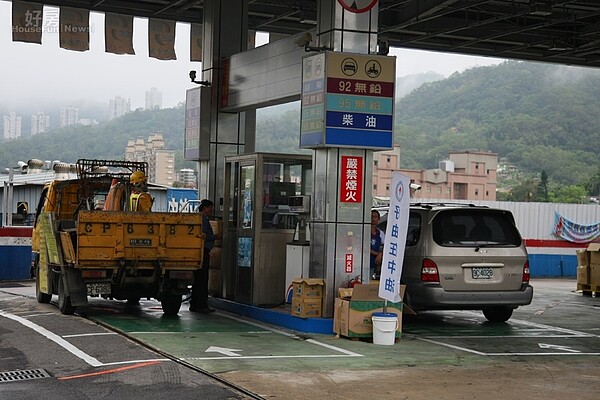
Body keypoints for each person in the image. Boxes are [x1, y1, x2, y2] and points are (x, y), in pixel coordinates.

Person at [190, 199, 222, 313]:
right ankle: (201, 305)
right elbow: (203, 236)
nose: (211, 211)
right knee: (202, 279)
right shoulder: (202, 220)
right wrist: (215, 237)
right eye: (210, 208)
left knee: (197, 279)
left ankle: (194, 304)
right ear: (205, 208)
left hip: (198, 252)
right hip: (202, 252)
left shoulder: (198, 218)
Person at [370, 209, 385, 280]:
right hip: (363, 263)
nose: (373, 219)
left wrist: (381, 254)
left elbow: (386, 246)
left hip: (374, 263)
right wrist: (377, 254)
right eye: (371, 216)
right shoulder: (363, 231)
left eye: (375, 217)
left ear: (379, 219)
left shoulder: (380, 233)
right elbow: (362, 247)